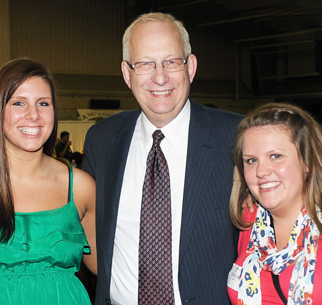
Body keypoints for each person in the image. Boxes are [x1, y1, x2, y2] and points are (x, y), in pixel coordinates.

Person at [83, 12, 243, 305]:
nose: (160, 77)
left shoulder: (236, 137)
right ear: (126, 72)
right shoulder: (102, 139)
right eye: (145, 64)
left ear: (191, 67)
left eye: (171, 62)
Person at [0, 58, 97, 305]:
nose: (33, 115)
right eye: (19, 103)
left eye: (43, 103)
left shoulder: (80, 187)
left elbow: (108, 268)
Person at [226, 103, 322, 305]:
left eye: (275, 156)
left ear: (308, 160)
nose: (261, 171)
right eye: (251, 160)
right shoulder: (249, 218)